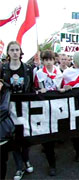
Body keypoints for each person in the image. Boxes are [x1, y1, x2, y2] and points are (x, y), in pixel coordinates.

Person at [0, 41, 34, 180]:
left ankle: (26, 159)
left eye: (17, 50)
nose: (15, 52)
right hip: (8, 108)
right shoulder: (3, 68)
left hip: (24, 106)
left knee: (24, 135)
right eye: (12, 50)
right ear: (8, 52)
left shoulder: (27, 68)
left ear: (20, 52)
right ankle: (19, 167)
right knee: (12, 138)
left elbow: (31, 87)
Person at [34, 50, 63, 176]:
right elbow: (35, 88)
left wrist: (62, 89)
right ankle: (52, 164)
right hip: (45, 107)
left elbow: (60, 87)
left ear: (54, 60)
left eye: (50, 59)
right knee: (47, 134)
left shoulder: (58, 72)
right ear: (43, 61)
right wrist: (39, 90)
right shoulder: (39, 73)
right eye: (46, 60)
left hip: (56, 106)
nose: (49, 62)